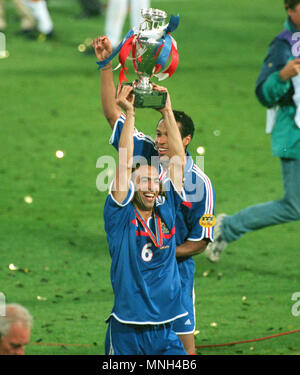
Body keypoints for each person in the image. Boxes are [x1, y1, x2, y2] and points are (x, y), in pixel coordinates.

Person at [93, 36, 215, 355]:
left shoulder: (195, 182)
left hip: (175, 272)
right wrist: (107, 65)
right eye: (158, 131)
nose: (159, 139)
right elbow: (112, 116)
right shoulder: (144, 156)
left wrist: (160, 251)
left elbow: (202, 238)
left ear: (185, 139)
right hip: (139, 277)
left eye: (166, 133)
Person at [205, 0, 300, 263]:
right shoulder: (282, 46)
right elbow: (264, 93)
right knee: (295, 205)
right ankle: (227, 227)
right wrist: (282, 76)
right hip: (294, 135)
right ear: (290, 10)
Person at [103, 83, 188, 355]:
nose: (151, 186)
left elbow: (178, 158)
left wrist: (166, 109)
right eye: (143, 182)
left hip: (165, 331)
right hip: (128, 330)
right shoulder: (120, 215)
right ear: (131, 186)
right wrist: (129, 114)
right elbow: (125, 160)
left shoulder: (166, 210)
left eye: (154, 181)